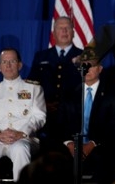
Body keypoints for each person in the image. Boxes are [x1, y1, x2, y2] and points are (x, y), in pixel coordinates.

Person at [0, 48, 46, 183]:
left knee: (20, 149)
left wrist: (21, 133)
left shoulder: (34, 88)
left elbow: (39, 117)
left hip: (24, 138)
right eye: (4, 62)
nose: (8, 65)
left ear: (20, 65)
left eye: (12, 61)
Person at [56, 46, 115, 183]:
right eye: (84, 65)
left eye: (91, 65)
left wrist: (93, 144)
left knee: (108, 156)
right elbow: (59, 125)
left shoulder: (111, 94)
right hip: (72, 147)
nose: (87, 69)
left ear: (100, 69)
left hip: (101, 146)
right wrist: (69, 143)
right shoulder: (69, 94)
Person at [27, 16, 83, 145]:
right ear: (53, 33)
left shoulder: (85, 55)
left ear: (73, 32)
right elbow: (32, 84)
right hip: (46, 114)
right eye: (60, 28)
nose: (64, 31)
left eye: (67, 28)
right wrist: (42, 104)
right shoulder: (41, 56)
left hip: (74, 116)